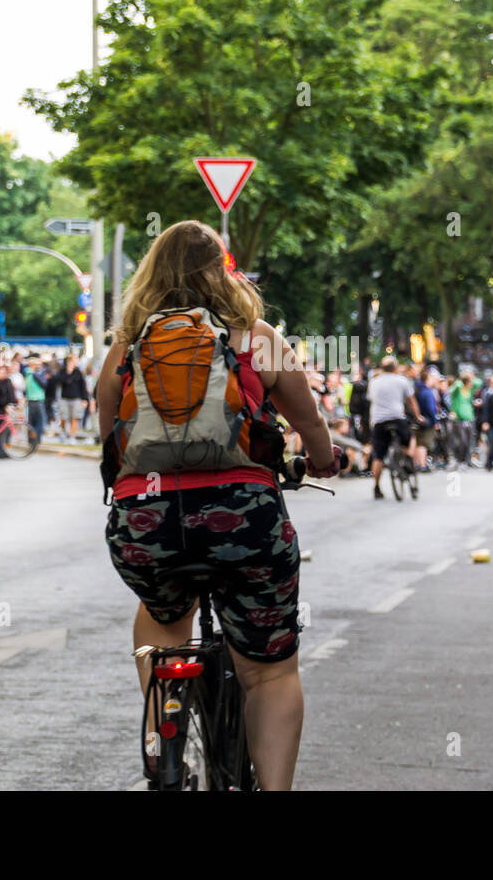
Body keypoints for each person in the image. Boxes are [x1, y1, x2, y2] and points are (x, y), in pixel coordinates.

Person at [95, 219, 339, 792]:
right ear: (223, 272)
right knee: (270, 672)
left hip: (145, 524)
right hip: (245, 521)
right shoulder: (256, 337)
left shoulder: (126, 346)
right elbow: (309, 421)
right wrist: (324, 461)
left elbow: (111, 443)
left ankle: (163, 733)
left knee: (161, 617)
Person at [368, 356, 417, 499]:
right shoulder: (402, 380)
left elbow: (372, 399)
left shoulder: (374, 382)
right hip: (397, 417)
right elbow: (411, 401)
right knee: (411, 437)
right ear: (395, 368)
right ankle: (407, 458)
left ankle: (376, 487)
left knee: (378, 456)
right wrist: (417, 416)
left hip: (379, 420)